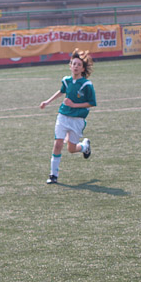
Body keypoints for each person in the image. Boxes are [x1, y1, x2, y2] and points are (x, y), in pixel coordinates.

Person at [39, 49, 95, 184]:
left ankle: (84, 147)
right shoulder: (66, 80)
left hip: (78, 120)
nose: (75, 66)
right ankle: (53, 175)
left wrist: (74, 105)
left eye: (79, 65)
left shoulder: (87, 85)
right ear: (70, 65)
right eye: (73, 64)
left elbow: (92, 103)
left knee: (71, 149)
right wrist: (47, 101)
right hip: (63, 116)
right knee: (58, 144)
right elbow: (61, 91)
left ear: (83, 69)